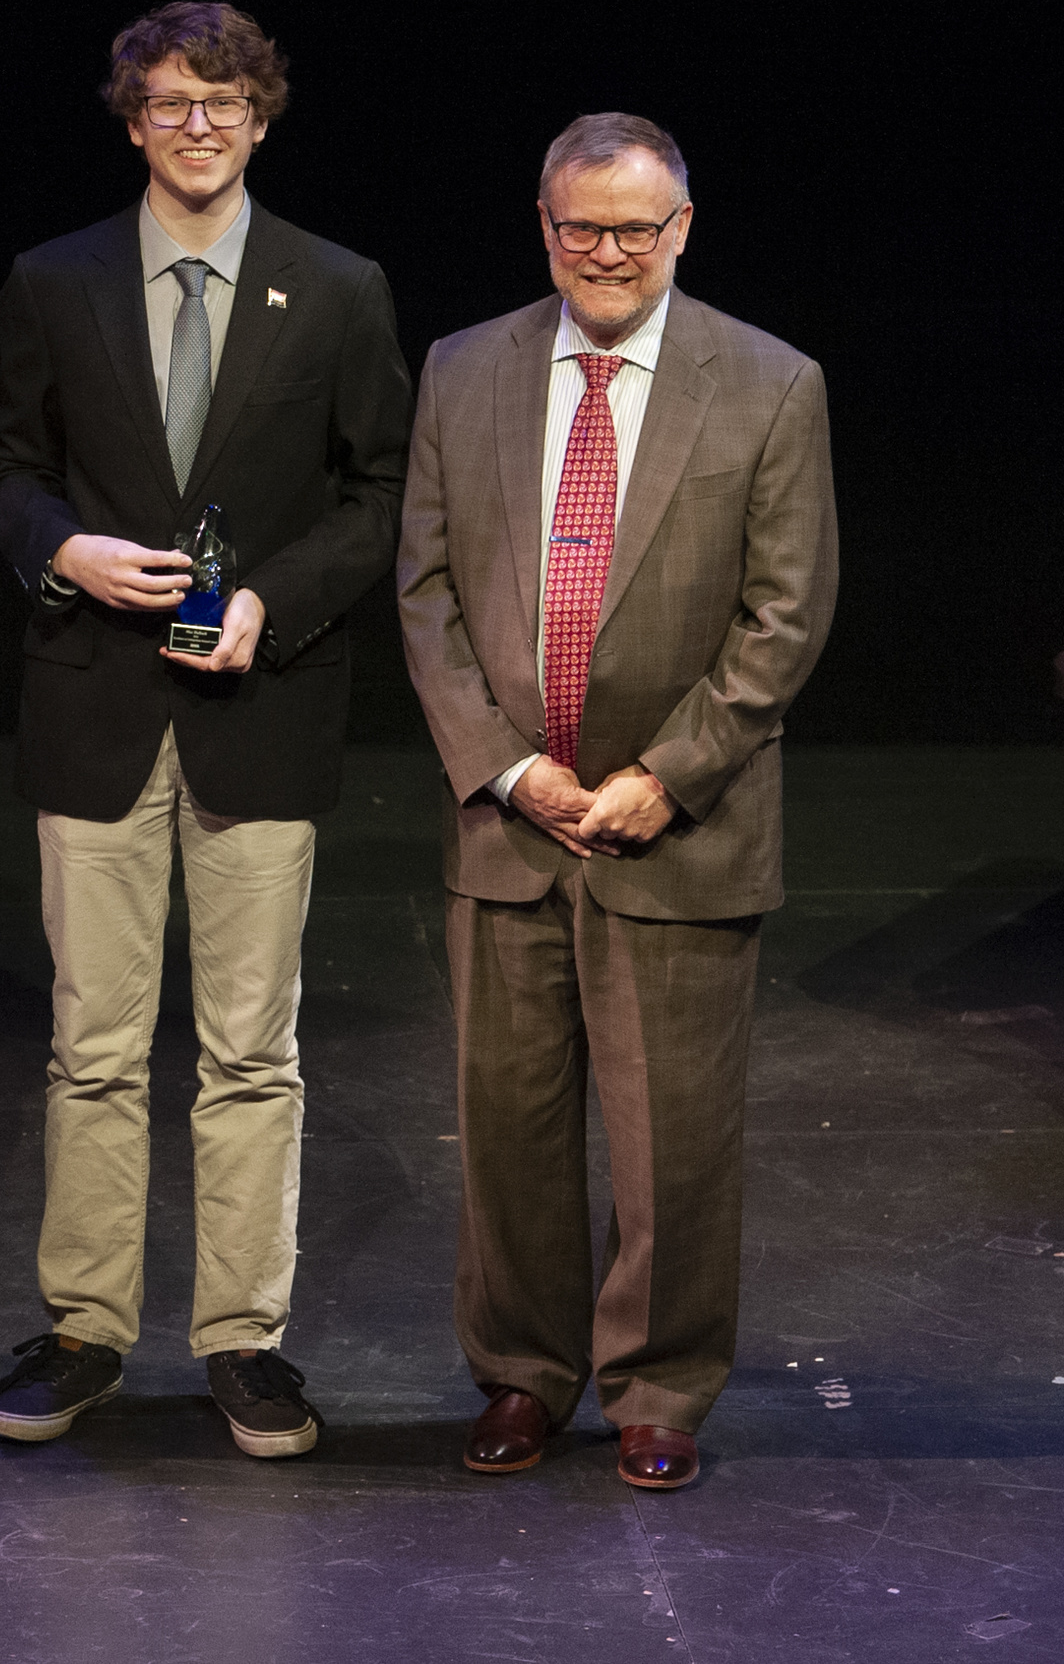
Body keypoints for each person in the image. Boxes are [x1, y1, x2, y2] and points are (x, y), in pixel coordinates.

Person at [0, 2, 411, 1458]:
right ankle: (88, 1328)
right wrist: (65, 553)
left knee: (249, 1052)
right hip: (94, 709)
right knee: (93, 1045)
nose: (198, 126)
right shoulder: (55, 278)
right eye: (169, 103)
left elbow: (380, 494)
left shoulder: (337, 289)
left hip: (259, 716)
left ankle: (244, 1343)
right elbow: (8, 473)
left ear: (263, 119)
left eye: (222, 103)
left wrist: (271, 605)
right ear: (134, 119)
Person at [397, 114, 836, 1491]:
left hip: (677, 831)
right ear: (543, 223)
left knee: (674, 1142)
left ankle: (660, 1388)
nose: (606, 252)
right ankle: (523, 1374)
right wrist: (506, 764)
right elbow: (422, 591)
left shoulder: (768, 383)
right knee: (512, 1132)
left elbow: (786, 616)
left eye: (634, 230)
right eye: (582, 226)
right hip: (509, 822)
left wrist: (669, 774)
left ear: (682, 231)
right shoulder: (465, 370)